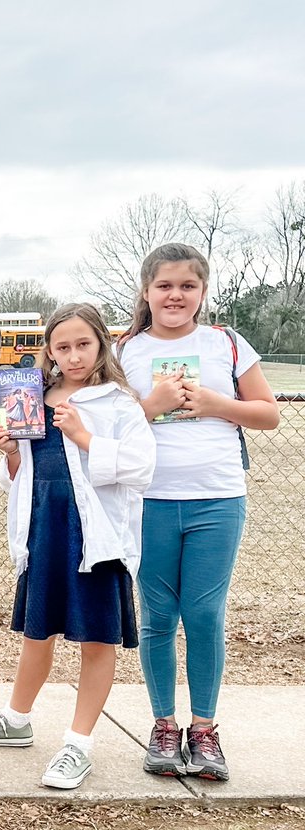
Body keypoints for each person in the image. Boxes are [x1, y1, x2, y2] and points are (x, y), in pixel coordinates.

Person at [0, 304, 156, 788]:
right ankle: (16, 719)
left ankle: (78, 744)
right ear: (47, 349)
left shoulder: (118, 403)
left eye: (83, 345)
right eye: (62, 347)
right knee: (37, 631)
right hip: (44, 529)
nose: (72, 356)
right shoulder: (31, 398)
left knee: (96, 638)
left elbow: (140, 469)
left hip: (95, 537)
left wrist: (84, 435)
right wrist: (9, 450)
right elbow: (21, 480)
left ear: (101, 346)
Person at [117, 243, 280, 781]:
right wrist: (151, 405)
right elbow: (110, 426)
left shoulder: (228, 344)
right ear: (147, 291)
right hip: (150, 501)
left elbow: (268, 415)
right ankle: (164, 726)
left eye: (187, 286)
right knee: (159, 617)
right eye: (164, 285)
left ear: (202, 293)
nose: (175, 295)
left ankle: (204, 729)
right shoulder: (125, 352)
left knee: (205, 616)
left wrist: (216, 404)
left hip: (217, 499)